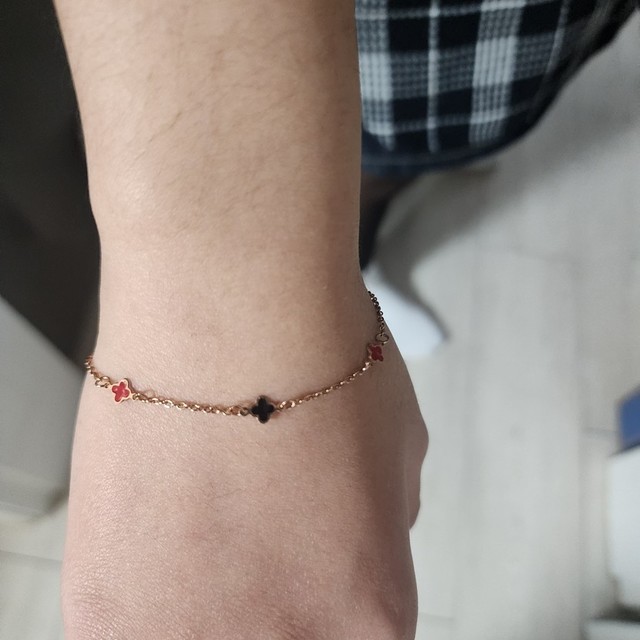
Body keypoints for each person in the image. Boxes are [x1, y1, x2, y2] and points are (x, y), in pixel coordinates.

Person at [0, 0, 634, 637]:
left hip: (525, 41)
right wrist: (229, 301)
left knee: (432, 148)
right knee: (370, 162)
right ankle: (364, 256)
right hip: (338, 51)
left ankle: (394, 213)